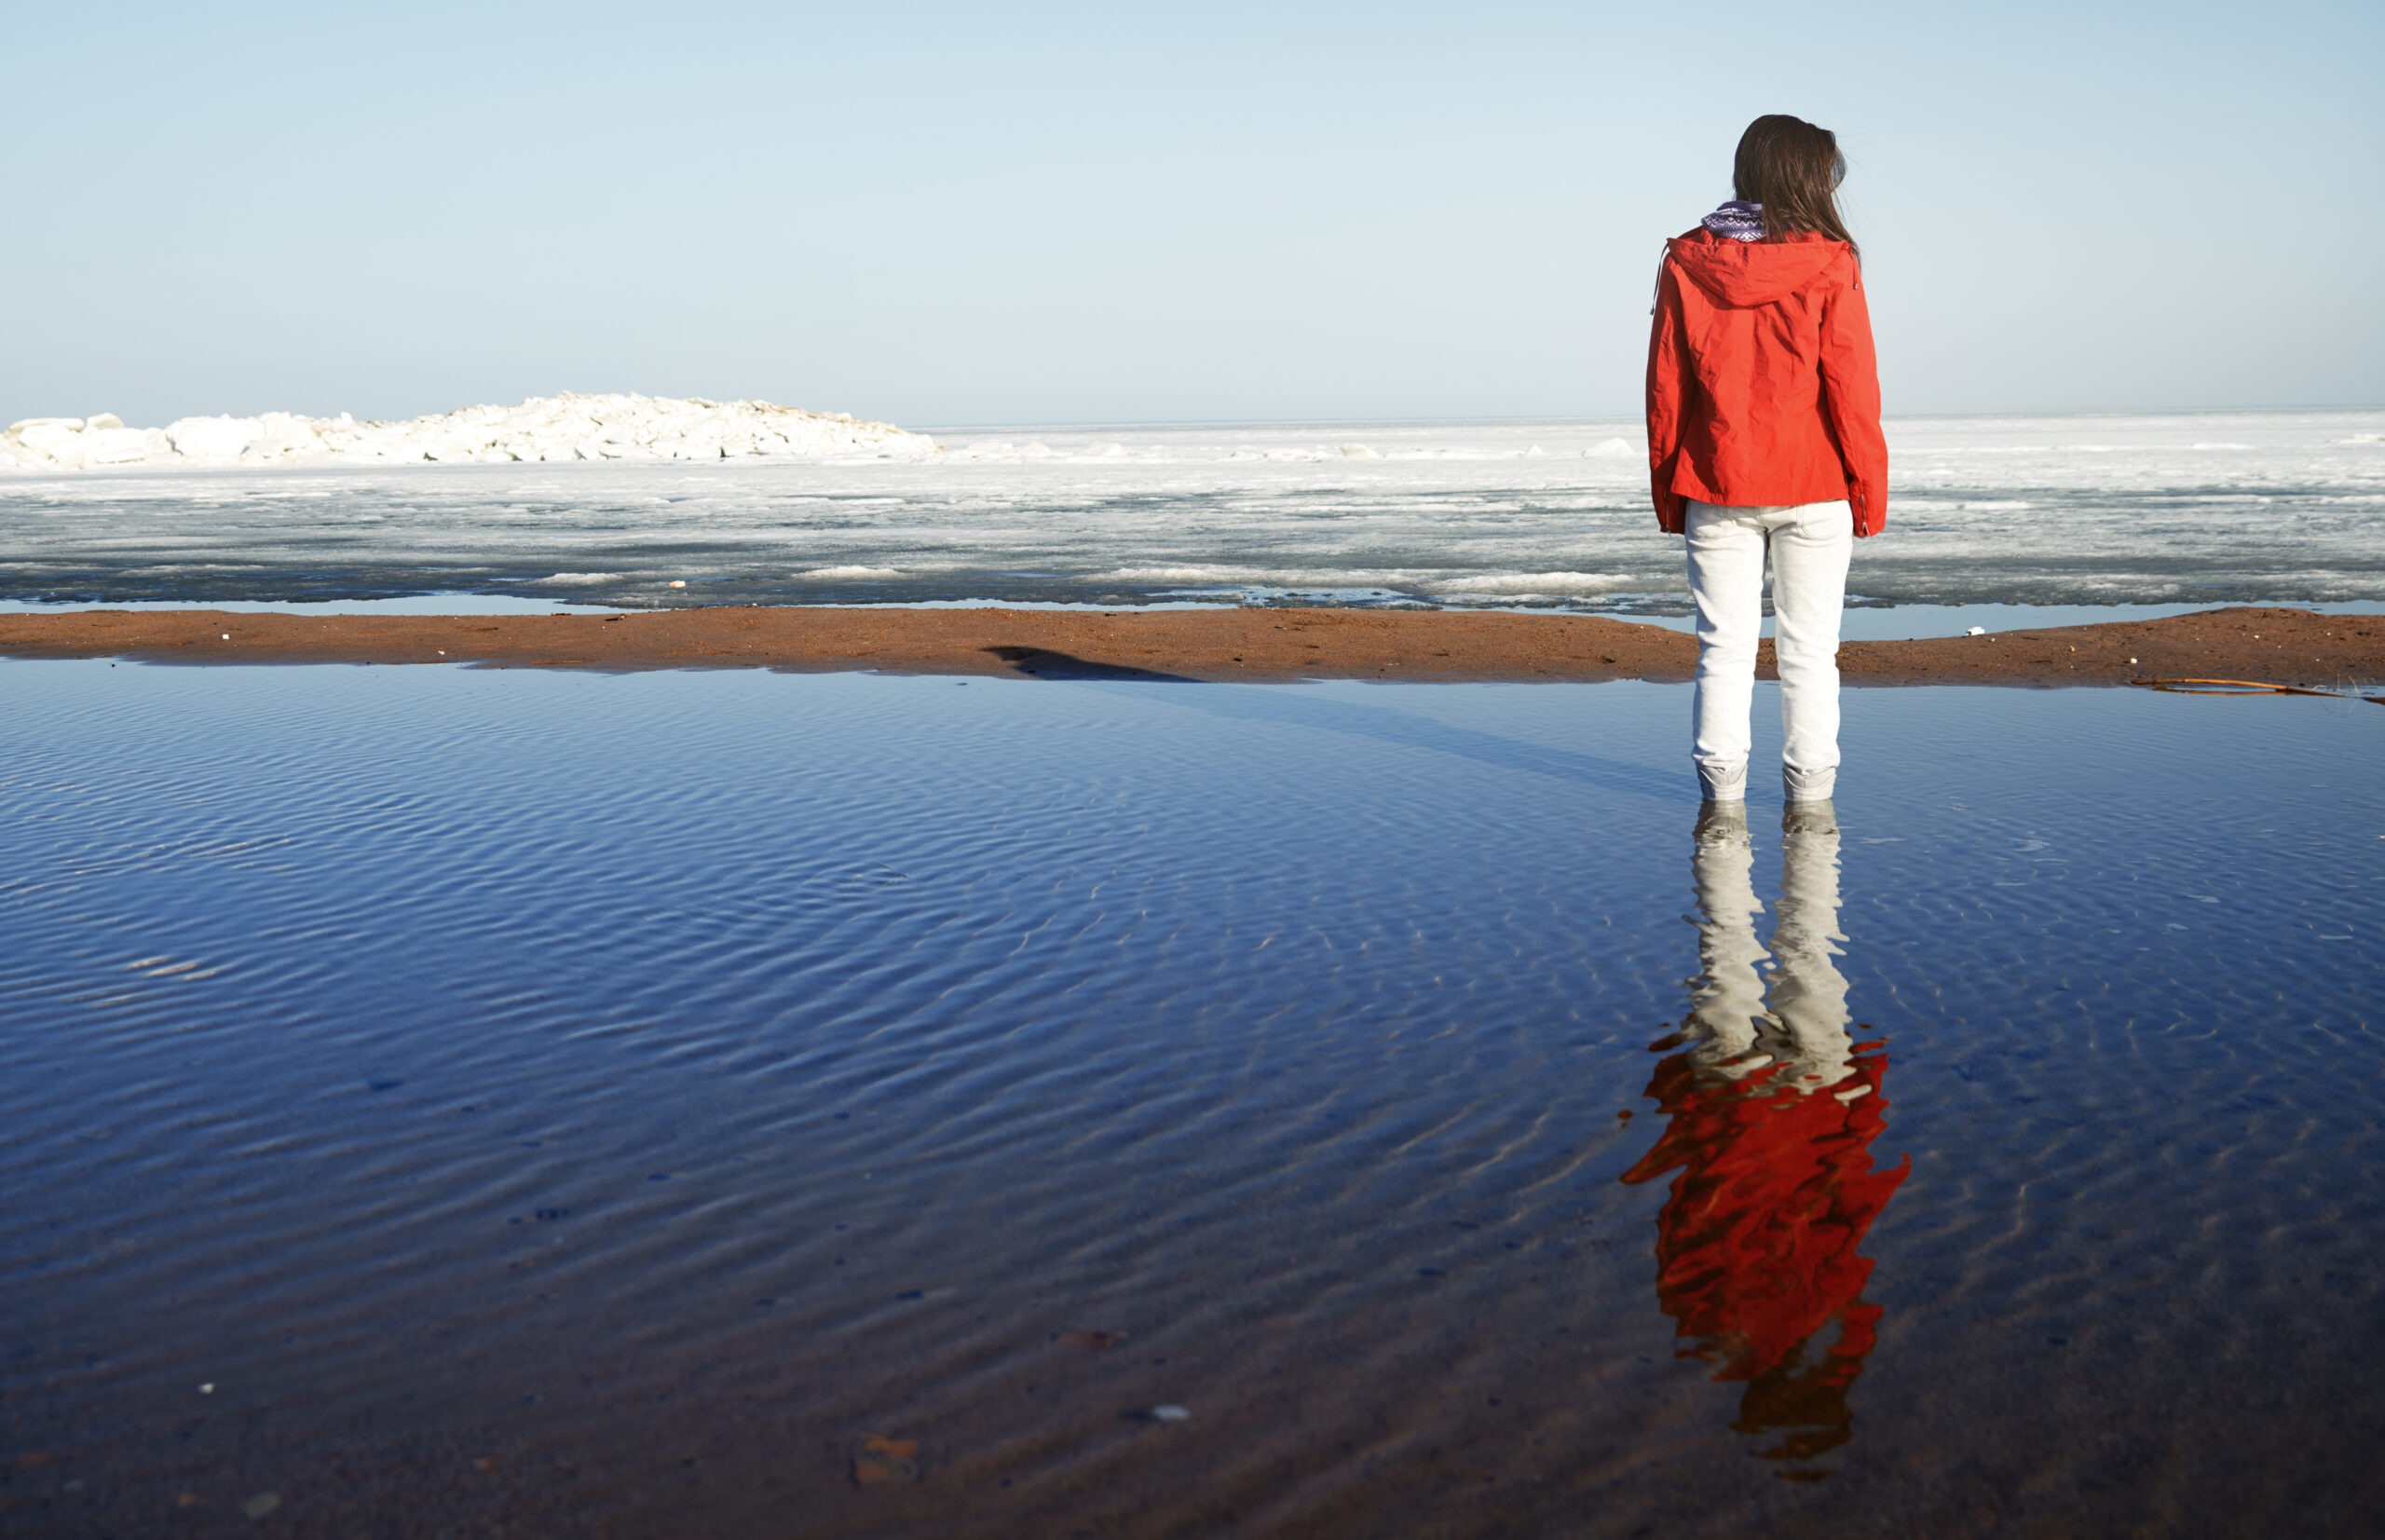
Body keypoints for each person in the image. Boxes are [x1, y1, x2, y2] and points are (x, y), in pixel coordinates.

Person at [1646, 115, 1888, 805]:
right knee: (1810, 654)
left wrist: (1671, 494)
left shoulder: (1688, 259)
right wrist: (1867, 495)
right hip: (1814, 487)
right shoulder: (1832, 261)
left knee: (1722, 651)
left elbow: (1667, 391)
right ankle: (1811, 824)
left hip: (1717, 484)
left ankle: (1719, 818)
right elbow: (1853, 391)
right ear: (1805, 180)